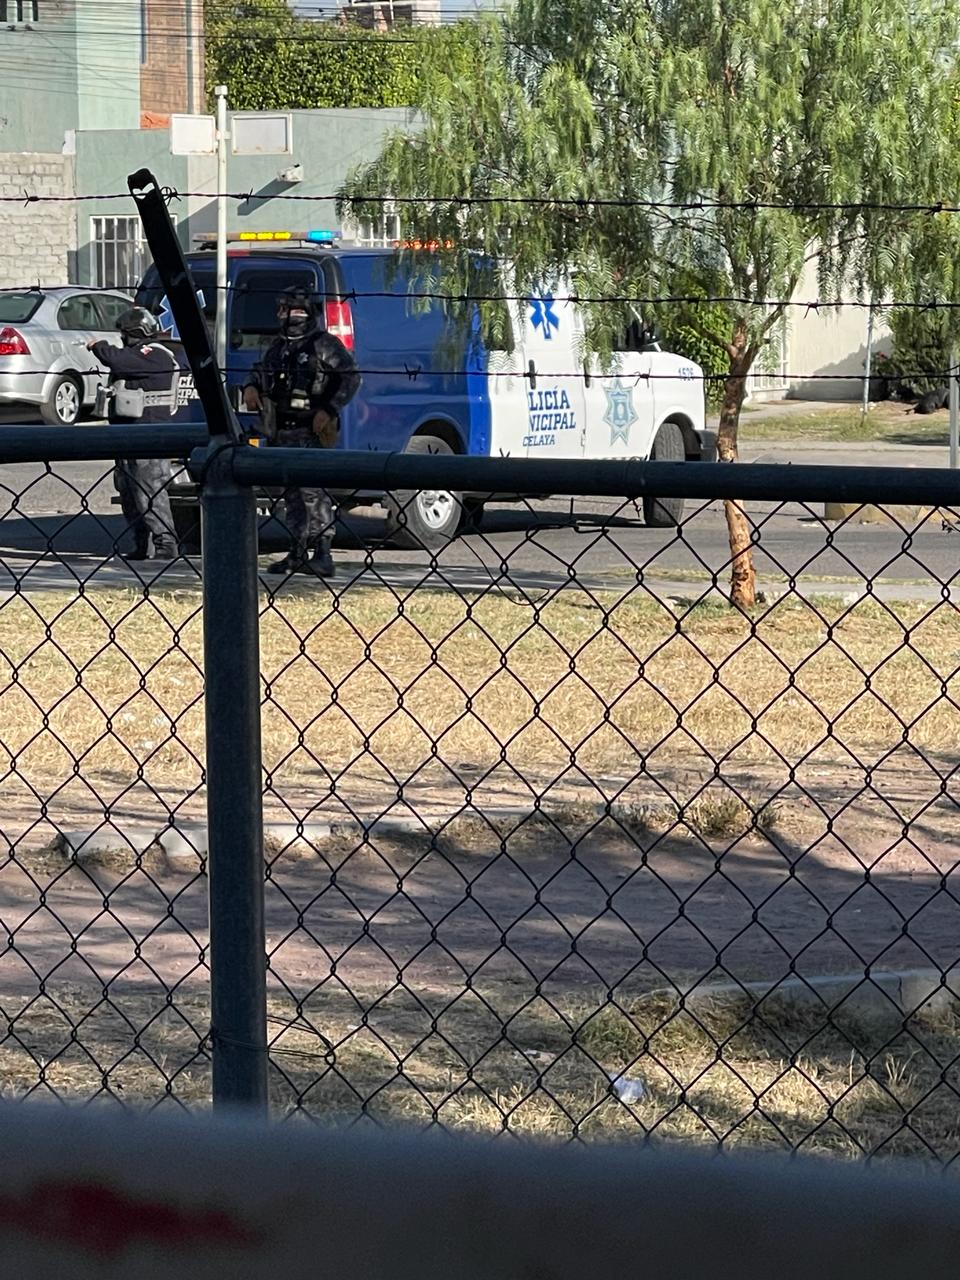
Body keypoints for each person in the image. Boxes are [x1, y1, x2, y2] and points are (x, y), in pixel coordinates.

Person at [242, 285, 360, 578]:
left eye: (291, 309)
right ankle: (297, 551)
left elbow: (350, 378)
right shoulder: (277, 346)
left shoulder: (323, 344)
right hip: (281, 428)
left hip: (312, 428)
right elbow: (261, 371)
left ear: (306, 312)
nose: (285, 314)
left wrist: (329, 409)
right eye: (282, 308)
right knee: (291, 494)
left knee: (313, 491)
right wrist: (251, 386)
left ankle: (323, 553)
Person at [87, 307, 179, 561]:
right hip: (128, 436)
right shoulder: (138, 355)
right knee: (129, 493)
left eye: (124, 334)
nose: (122, 339)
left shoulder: (153, 354)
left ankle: (166, 544)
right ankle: (142, 544)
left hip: (148, 436)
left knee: (149, 491)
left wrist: (99, 345)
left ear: (134, 333)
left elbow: (117, 360)